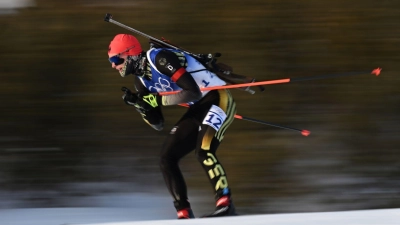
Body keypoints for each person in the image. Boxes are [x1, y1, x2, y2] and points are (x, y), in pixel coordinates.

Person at [107, 34, 237, 219]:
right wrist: (141, 106)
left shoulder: (159, 58)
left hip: (217, 98)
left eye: (116, 59)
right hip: (198, 109)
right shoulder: (140, 82)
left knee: (203, 150)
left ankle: (225, 203)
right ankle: (184, 213)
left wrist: (157, 99)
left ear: (130, 54)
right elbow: (158, 123)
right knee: (166, 157)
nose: (114, 65)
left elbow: (192, 91)